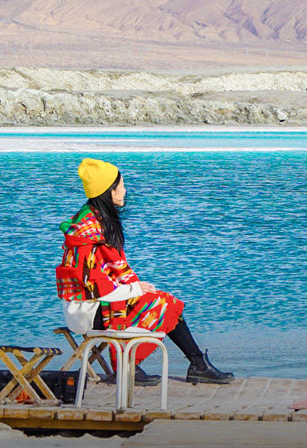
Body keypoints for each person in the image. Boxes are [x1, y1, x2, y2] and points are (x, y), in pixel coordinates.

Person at [56, 157, 233, 385]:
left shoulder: (92, 223)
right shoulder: (89, 235)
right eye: (121, 186)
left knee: (159, 299)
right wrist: (134, 289)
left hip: (93, 306)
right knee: (166, 303)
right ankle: (135, 365)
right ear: (109, 192)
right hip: (87, 313)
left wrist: (135, 289)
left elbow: (105, 279)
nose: (125, 191)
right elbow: (95, 287)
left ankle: (196, 364)